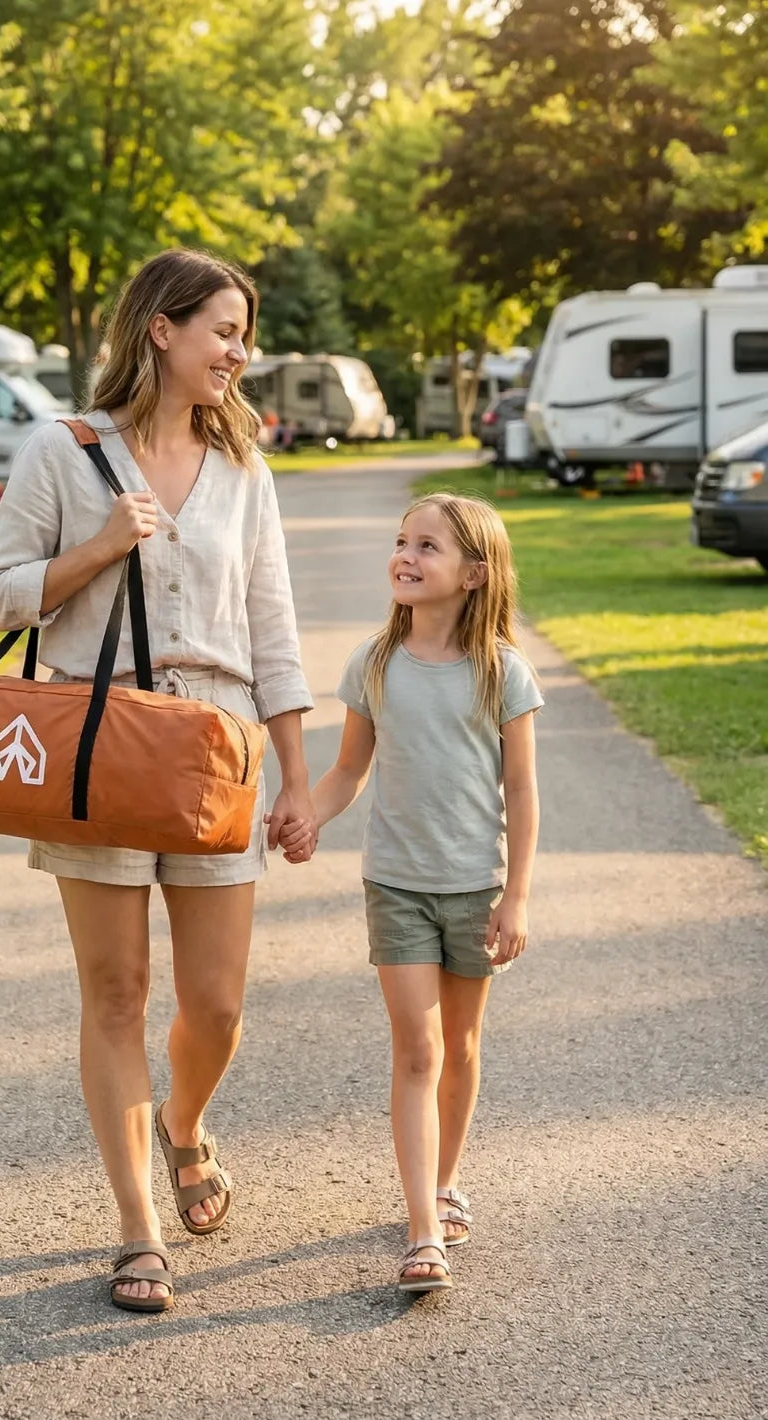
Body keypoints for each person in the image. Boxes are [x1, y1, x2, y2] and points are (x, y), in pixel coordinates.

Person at [0, 249, 314, 1314]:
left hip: (215, 745)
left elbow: (272, 630)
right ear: (161, 329)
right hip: (98, 739)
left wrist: (297, 778)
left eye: (243, 334)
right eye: (224, 330)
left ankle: (184, 1122)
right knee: (116, 990)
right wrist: (97, 547)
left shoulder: (244, 469)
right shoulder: (62, 450)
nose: (239, 352)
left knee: (216, 1003)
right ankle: (137, 1230)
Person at [279, 493, 542, 1295]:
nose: (405, 555)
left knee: (459, 1047)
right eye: (401, 541)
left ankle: (445, 1180)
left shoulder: (501, 671)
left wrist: (516, 897)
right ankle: (422, 1228)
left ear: (473, 573)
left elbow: (522, 791)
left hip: (474, 889)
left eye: (427, 546)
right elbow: (347, 770)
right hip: (395, 885)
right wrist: (308, 815)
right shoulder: (374, 663)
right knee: (418, 1049)